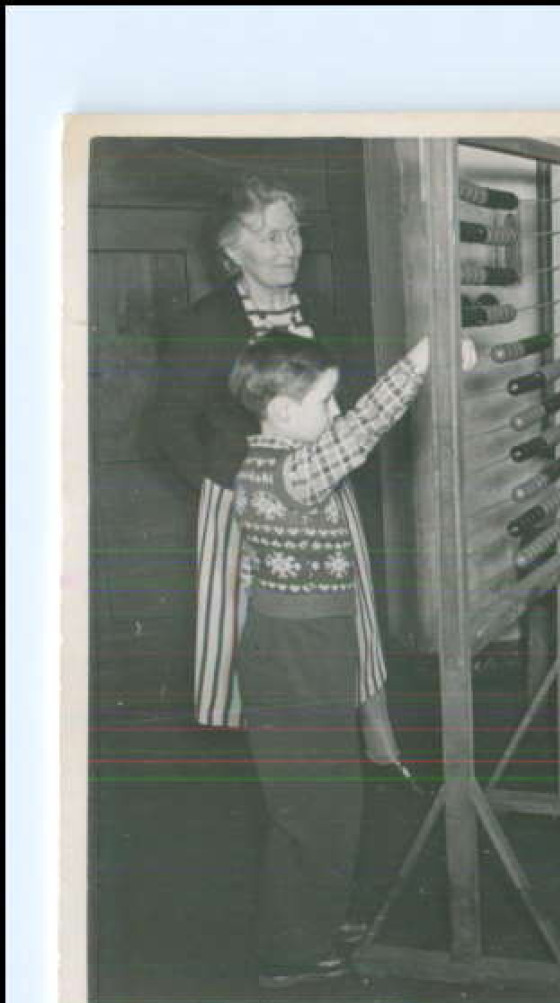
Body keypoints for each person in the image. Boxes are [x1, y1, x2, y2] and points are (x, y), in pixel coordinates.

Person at [229, 330, 475, 989]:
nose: (336, 413)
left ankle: (312, 918)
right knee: (316, 808)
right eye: (325, 401)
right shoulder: (289, 467)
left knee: (324, 800)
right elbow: (364, 428)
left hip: (305, 650)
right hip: (299, 655)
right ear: (282, 412)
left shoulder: (265, 461)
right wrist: (423, 360)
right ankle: (290, 950)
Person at [149, 174, 399, 760]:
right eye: (269, 236)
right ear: (232, 251)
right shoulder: (203, 324)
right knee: (250, 626)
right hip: (241, 499)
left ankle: (372, 718)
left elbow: (352, 406)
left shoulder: (325, 315)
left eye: (293, 234)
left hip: (324, 491)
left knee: (351, 603)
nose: (288, 248)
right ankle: (271, 738)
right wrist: (225, 484)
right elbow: (167, 424)